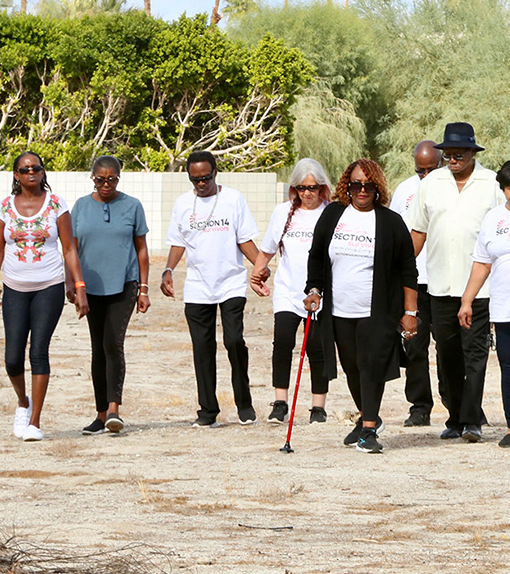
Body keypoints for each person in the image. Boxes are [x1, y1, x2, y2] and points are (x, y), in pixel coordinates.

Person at [304, 159, 418, 454]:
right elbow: (316, 256)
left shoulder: (390, 222)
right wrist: (314, 290)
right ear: (347, 186)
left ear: (378, 187)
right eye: (356, 184)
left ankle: (368, 429)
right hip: (340, 310)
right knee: (351, 367)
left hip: (377, 310)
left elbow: (408, 269)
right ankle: (370, 416)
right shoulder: (332, 215)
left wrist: (410, 313)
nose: (362, 190)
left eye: (368, 185)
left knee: (371, 366)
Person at [404, 122, 503, 442]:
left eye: (461, 152)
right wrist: (402, 271)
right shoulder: (431, 183)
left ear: (474, 152)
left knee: (475, 354)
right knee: (447, 355)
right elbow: (417, 231)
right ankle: (456, 416)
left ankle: (472, 420)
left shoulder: (491, 184)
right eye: (448, 152)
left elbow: (504, 230)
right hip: (440, 285)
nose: (454, 157)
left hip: (478, 288)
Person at [0, 151, 89, 442]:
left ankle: (35, 422)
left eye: (36, 168)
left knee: (38, 351)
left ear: (43, 173)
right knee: (13, 358)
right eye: (24, 169)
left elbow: (69, 249)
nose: (31, 172)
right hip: (15, 288)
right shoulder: (4, 208)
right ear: (16, 175)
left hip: (49, 286)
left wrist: (79, 288)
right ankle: (23, 402)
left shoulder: (56, 205)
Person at [161, 150, 262, 428]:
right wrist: (168, 270)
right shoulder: (183, 204)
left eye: (205, 178)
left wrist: (259, 268)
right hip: (197, 287)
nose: (201, 184)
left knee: (233, 342)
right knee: (202, 348)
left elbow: (245, 240)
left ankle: (244, 403)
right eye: (195, 180)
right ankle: (207, 411)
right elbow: (177, 242)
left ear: (215, 173)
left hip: (231, 282)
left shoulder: (233, 199)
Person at [458, 160, 510, 447]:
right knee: (509, 366)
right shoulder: (493, 218)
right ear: (503, 189)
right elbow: (482, 262)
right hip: (504, 305)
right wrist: (467, 300)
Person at [71, 155, 150, 436]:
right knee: (97, 348)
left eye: (112, 179)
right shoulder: (80, 207)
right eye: (100, 179)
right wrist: (73, 284)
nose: (106, 184)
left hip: (124, 284)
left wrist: (144, 288)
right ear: (92, 177)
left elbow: (141, 249)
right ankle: (100, 413)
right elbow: (72, 250)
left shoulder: (132, 206)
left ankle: (114, 409)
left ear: (119, 177)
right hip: (90, 288)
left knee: (112, 344)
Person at [250, 159, 333, 424]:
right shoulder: (283, 212)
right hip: (287, 289)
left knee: (316, 348)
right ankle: (280, 402)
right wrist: (256, 274)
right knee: (283, 343)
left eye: (312, 187)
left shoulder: (331, 213)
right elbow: (267, 249)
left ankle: (318, 407)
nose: (307, 193)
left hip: (319, 292)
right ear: (293, 188)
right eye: (301, 188)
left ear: (322, 188)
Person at [390, 140, 443, 427]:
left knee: (449, 349)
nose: (425, 176)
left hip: (447, 281)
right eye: (420, 170)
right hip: (415, 282)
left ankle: (458, 406)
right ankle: (420, 407)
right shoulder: (405, 190)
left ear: (442, 163)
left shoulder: (451, 187)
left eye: (430, 170)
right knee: (414, 347)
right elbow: (396, 233)